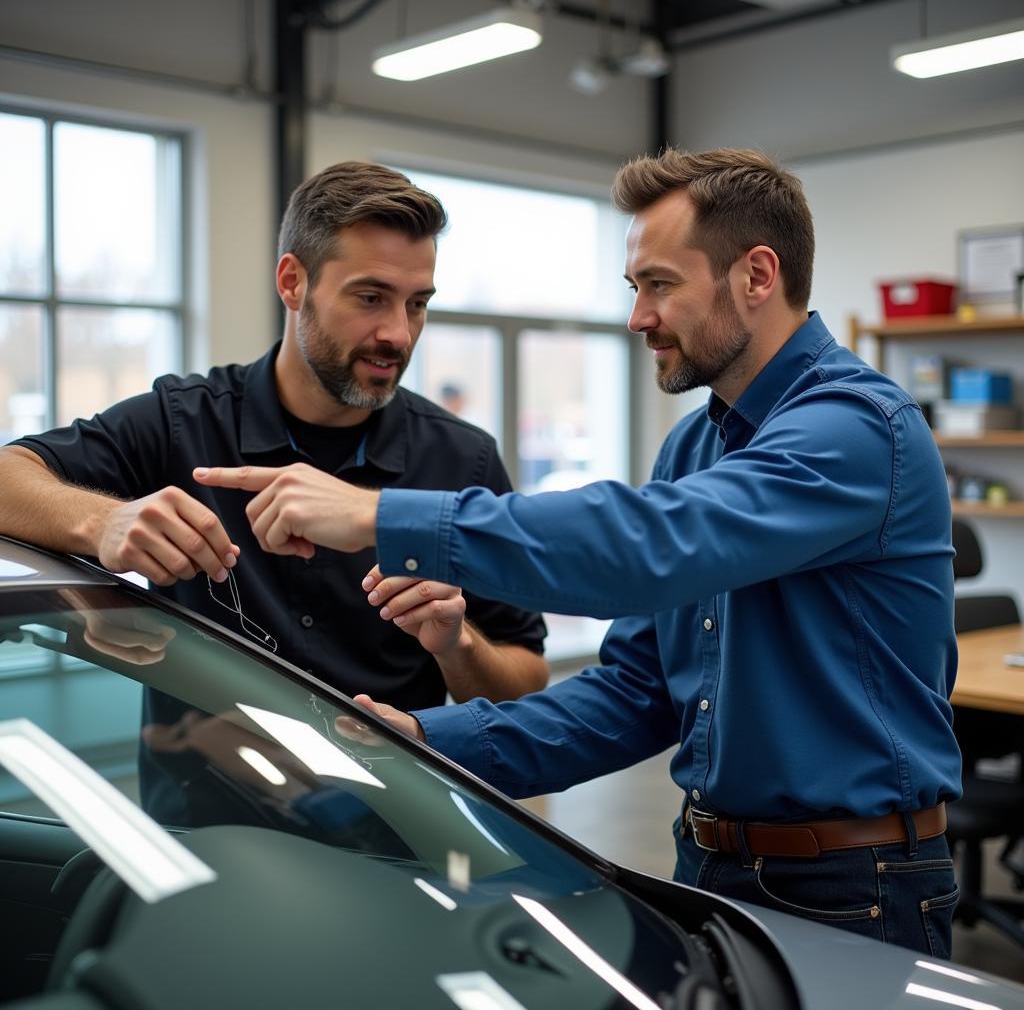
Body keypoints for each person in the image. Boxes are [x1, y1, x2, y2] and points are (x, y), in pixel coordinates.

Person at [194, 149, 963, 958]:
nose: (638, 318)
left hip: (857, 884)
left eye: (659, 284)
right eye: (636, 289)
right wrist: (423, 744)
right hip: (710, 862)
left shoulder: (857, 429)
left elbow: (647, 547)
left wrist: (381, 516)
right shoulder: (698, 445)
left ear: (757, 275)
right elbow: (638, 692)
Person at [0, 161, 548, 713]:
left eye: (417, 303)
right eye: (370, 297)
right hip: (205, 793)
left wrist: (458, 645)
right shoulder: (182, 423)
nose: (398, 334)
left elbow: (525, 681)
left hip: (391, 797)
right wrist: (102, 523)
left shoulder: (464, 460)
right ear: (292, 282)